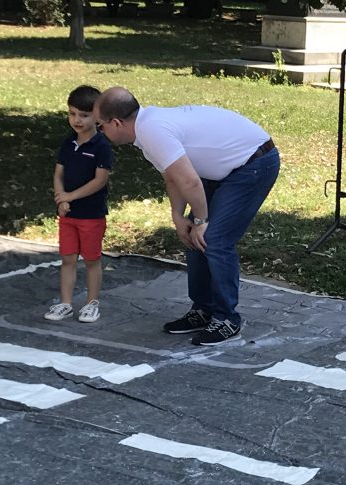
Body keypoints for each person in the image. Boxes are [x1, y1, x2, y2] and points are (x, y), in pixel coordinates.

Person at [93, 87, 280, 346]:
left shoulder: (152, 130)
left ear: (116, 123)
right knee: (194, 236)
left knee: (214, 240)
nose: (99, 132)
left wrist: (202, 221)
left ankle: (227, 318)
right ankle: (203, 309)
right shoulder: (146, 131)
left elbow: (191, 182)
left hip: (254, 164)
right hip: (224, 170)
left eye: (99, 126)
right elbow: (173, 176)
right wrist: (179, 217)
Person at [44, 85, 114, 323]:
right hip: (68, 215)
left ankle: (92, 302)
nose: (77, 120)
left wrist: (70, 197)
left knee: (92, 260)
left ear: (98, 117)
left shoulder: (102, 146)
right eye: (73, 113)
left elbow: (99, 180)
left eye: (84, 115)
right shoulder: (67, 143)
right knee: (68, 259)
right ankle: (65, 303)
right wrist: (60, 197)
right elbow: (58, 174)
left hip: (91, 215)